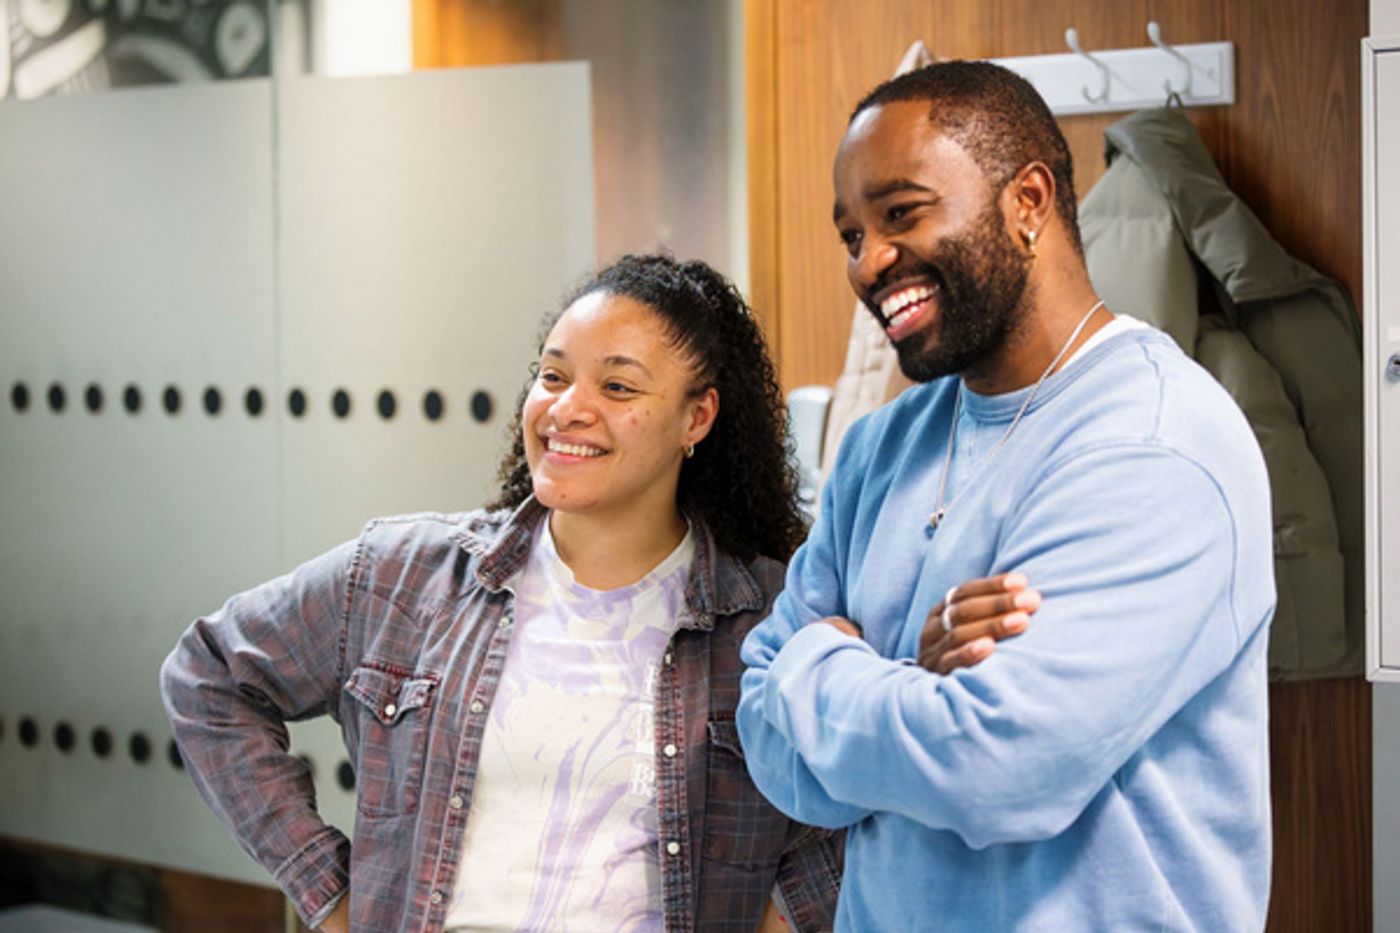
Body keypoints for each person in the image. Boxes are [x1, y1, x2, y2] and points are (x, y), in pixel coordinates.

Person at [161, 254, 855, 933]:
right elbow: (209, 675)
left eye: (618, 388)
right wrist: (330, 895)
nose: (567, 409)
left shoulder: (770, 616)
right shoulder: (406, 575)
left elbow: (867, 795)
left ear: (696, 417)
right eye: (553, 376)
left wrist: (784, 916)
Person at [736, 61, 1275, 932]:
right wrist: (911, 677)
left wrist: (819, 664)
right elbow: (775, 754)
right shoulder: (880, 446)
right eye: (850, 235)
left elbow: (1000, 768)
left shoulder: (1154, 443)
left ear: (1028, 200)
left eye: (902, 214)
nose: (870, 262)